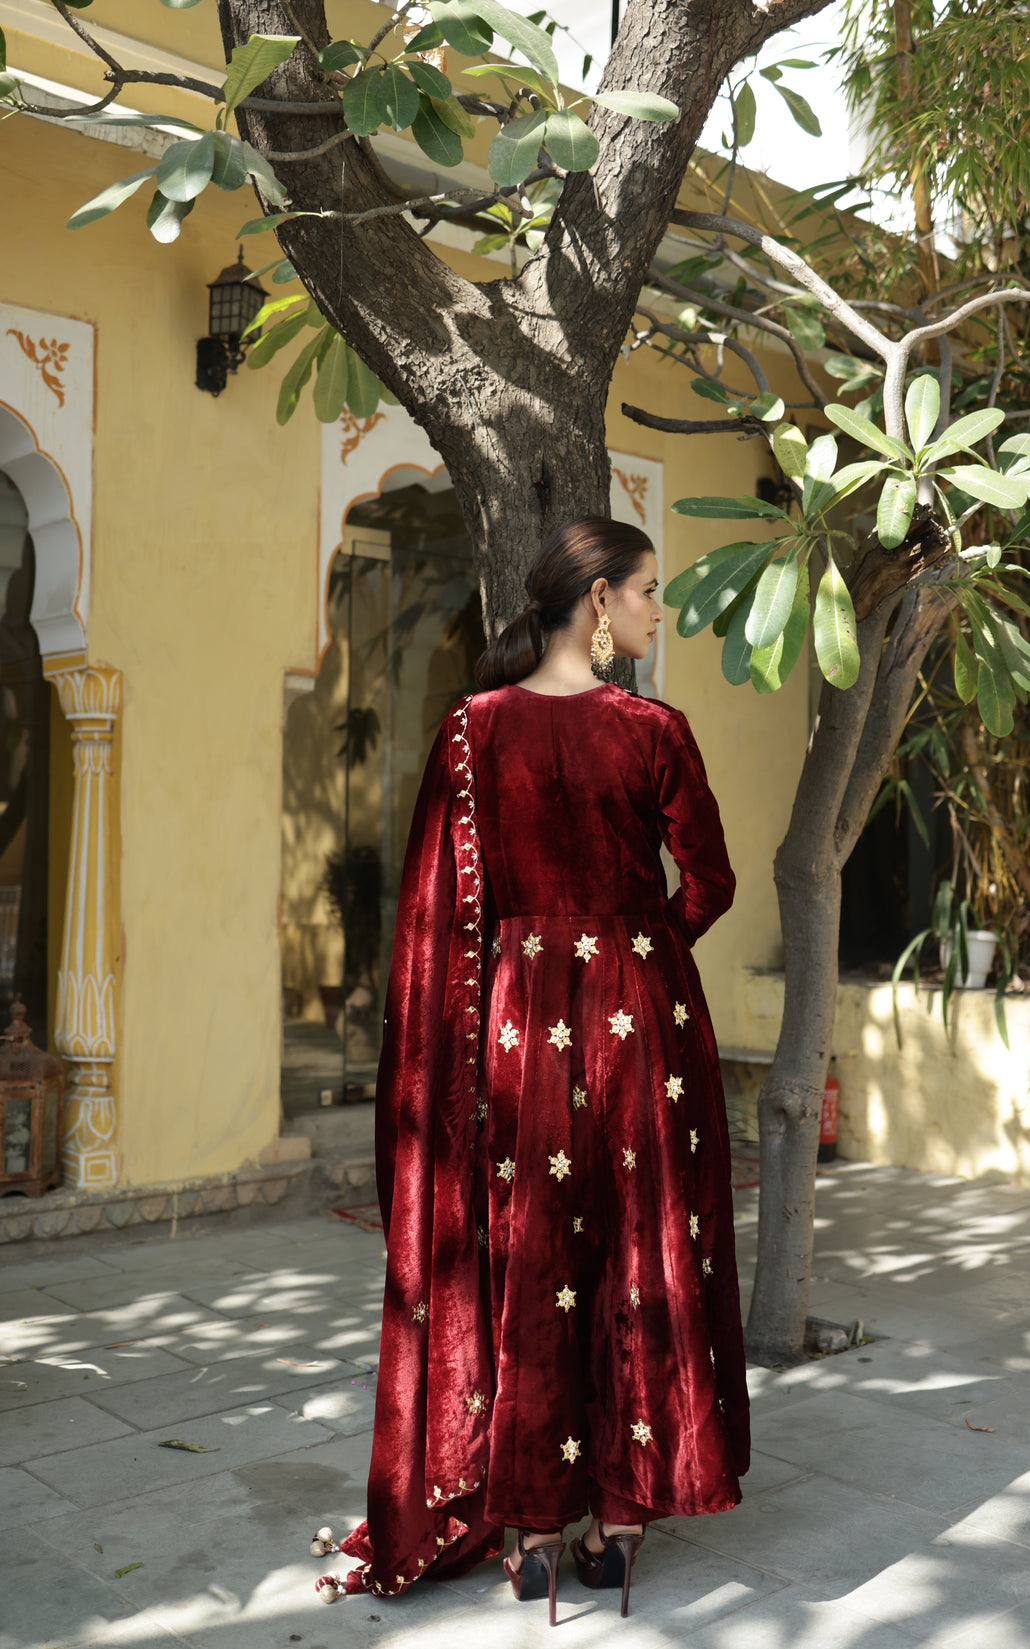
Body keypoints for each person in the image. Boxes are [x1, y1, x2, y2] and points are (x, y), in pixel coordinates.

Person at [316, 518, 750, 1622]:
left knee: (531, 1254)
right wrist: (636, 950)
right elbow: (710, 881)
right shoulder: (653, 729)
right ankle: (622, 1516)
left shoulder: (470, 731)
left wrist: (530, 965)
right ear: (598, 599)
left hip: (513, 1033)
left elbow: (435, 915)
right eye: (646, 591)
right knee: (636, 1250)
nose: (657, 610)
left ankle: (534, 1527)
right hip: (639, 1030)